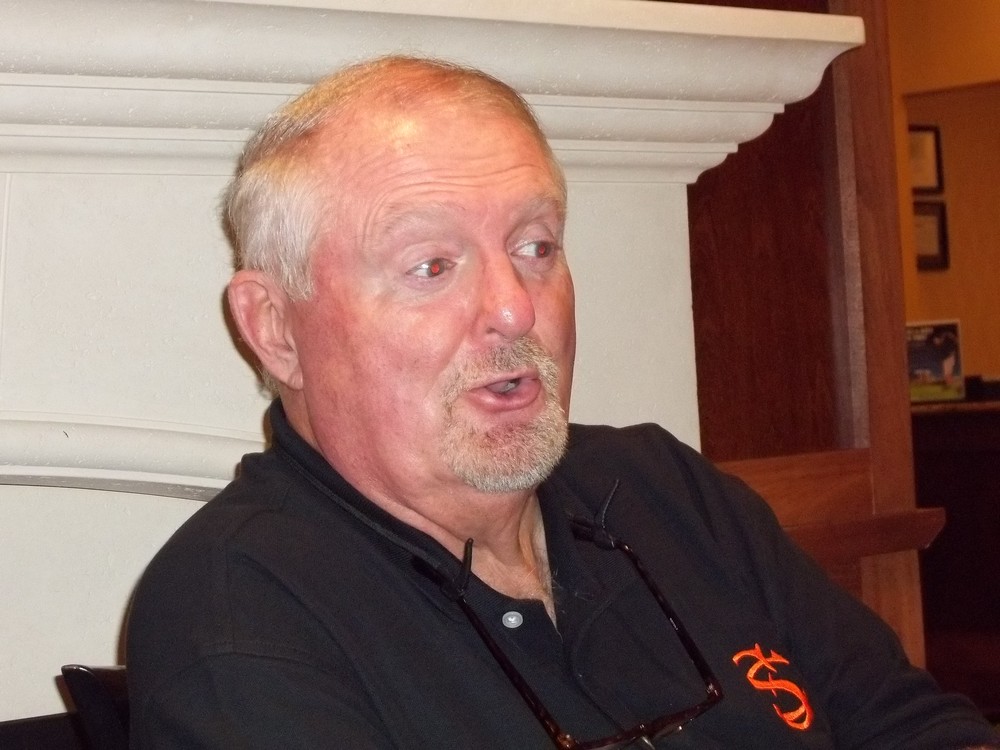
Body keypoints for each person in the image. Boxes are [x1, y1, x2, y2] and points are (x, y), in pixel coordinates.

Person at [126, 56, 999, 749]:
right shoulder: (238, 612)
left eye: (535, 247)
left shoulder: (661, 487)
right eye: (432, 265)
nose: (515, 308)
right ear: (275, 328)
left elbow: (914, 725)